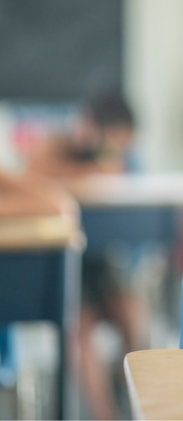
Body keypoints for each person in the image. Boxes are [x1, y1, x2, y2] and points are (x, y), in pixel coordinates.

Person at [27, 89, 145, 420]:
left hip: (98, 262)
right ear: (91, 126)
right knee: (80, 329)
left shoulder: (115, 158)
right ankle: (105, 414)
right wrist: (96, 160)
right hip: (61, 261)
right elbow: (36, 174)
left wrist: (105, 160)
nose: (118, 149)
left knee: (132, 310)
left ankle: (132, 397)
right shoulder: (55, 146)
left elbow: (117, 172)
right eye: (113, 140)